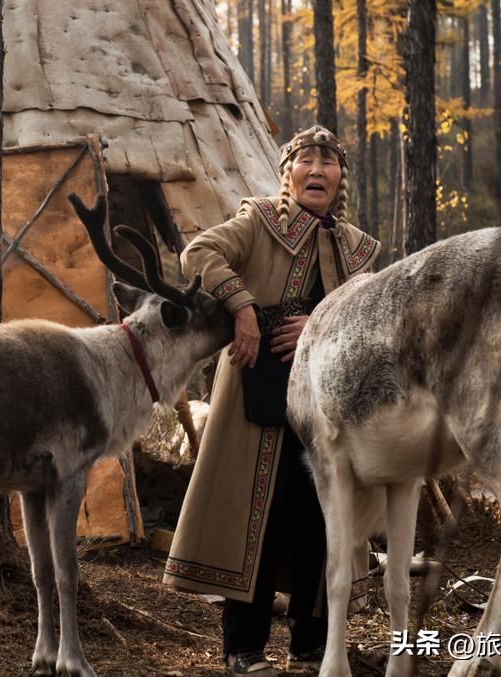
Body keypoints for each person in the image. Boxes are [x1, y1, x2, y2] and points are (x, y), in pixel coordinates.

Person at [163, 126, 381, 675]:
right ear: (287, 174)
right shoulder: (258, 222)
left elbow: (375, 318)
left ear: (340, 179)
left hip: (327, 409)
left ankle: (312, 644)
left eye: (327, 162)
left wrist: (320, 323)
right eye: (305, 160)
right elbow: (199, 252)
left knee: (320, 520)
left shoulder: (356, 250)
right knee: (254, 519)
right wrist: (242, 309)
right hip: (257, 401)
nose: (316, 170)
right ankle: (243, 648)